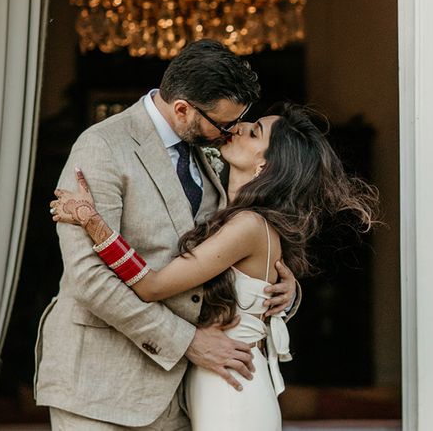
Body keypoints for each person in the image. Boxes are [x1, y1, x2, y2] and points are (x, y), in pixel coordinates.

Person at [51, 103, 377, 431]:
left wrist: (93, 222)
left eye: (254, 132)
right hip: (209, 385)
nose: (238, 126)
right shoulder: (227, 211)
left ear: (265, 164)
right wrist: (286, 297)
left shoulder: (248, 225)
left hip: (232, 389)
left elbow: (152, 286)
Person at [34, 40, 299, 430]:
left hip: (181, 396)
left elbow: (229, 253)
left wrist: (279, 292)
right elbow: (89, 279)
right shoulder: (102, 147)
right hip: (101, 386)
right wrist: (188, 342)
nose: (231, 133)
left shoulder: (210, 149)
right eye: (224, 124)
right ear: (182, 110)